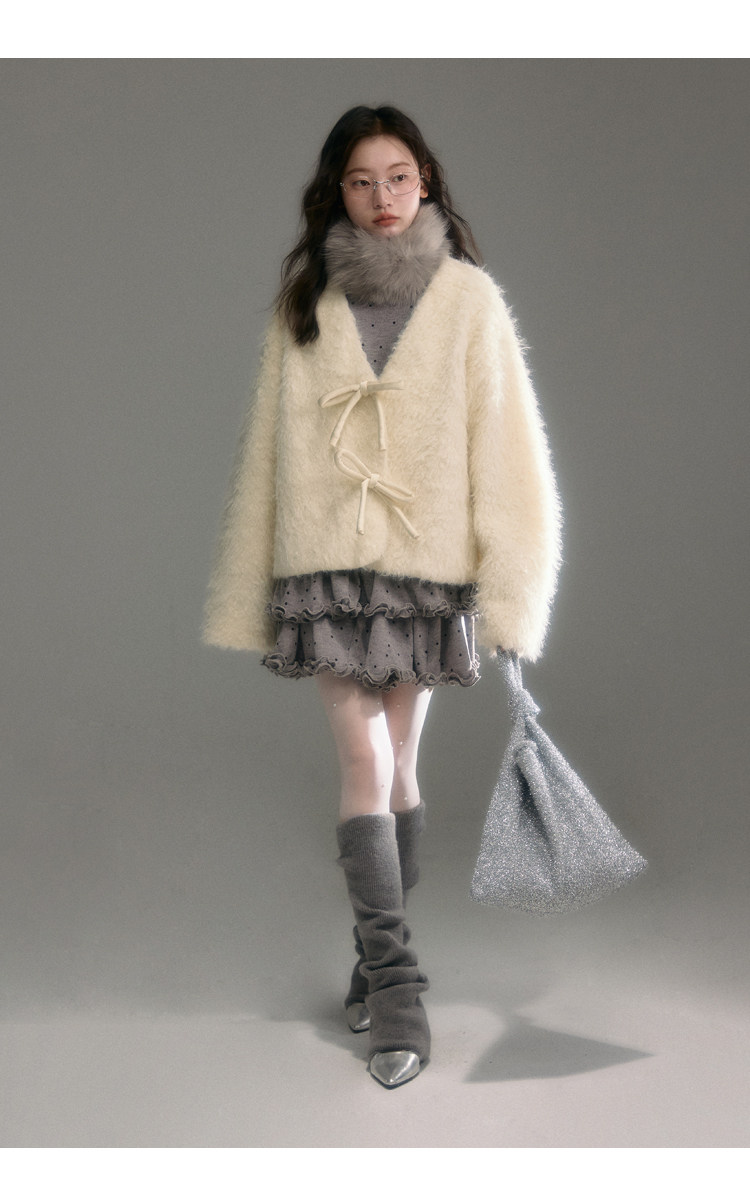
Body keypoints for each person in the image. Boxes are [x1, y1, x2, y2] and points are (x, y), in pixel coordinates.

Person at [203, 105, 562, 1088]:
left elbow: (509, 450)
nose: (383, 197)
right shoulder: (306, 304)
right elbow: (266, 451)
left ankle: (372, 956)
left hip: (427, 570)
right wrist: (257, 574)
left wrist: (509, 587)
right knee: (363, 758)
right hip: (327, 568)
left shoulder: (469, 300)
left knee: (401, 763)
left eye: (398, 176)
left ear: (426, 181)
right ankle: (399, 990)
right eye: (362, 181)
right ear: (338, 192)